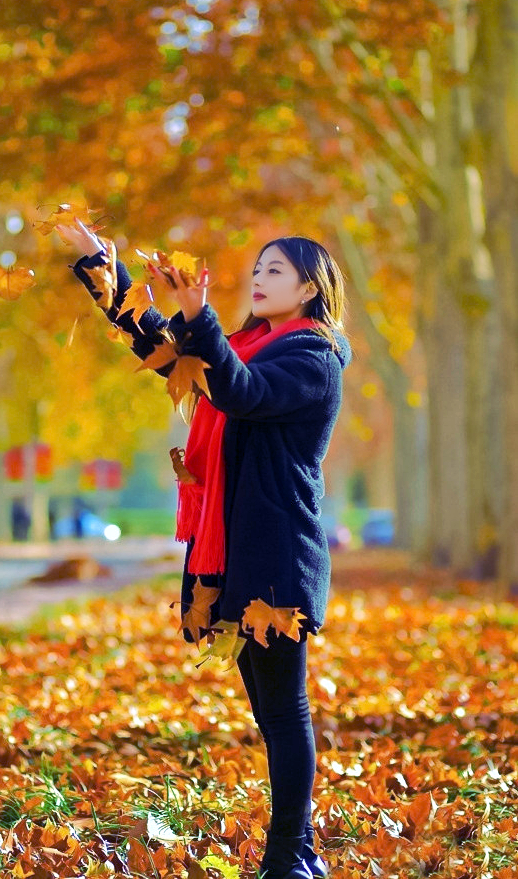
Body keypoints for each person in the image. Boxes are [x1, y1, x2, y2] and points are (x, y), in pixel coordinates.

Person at [58, 217, 352, 879]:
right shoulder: (245, 342)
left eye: (275, 269)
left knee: (284, 707)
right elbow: (161, 348)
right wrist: (106, 270)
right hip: (236, 546)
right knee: (271, 708)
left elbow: (241, 393)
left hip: (274, 552)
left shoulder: (311, 355)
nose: (259, 275)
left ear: (309, 287)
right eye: (258, 266)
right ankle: (295, 853)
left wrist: (199, 314)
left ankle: (292, 856)